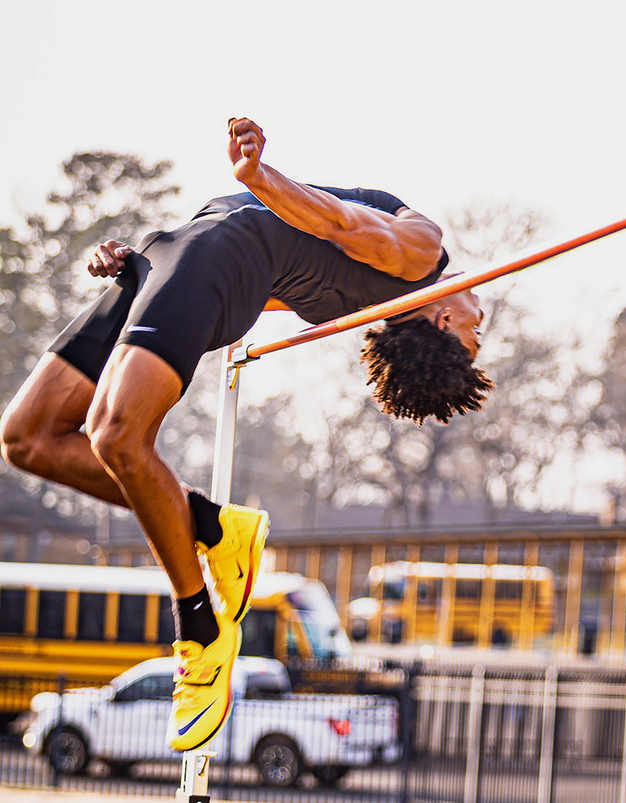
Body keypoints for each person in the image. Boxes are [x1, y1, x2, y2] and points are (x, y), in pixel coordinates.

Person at [0, 118, 491, 751]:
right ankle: (214, 526)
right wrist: (137, 268)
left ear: (449, 322)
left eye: (478, 337)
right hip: (173, 251)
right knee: (27, 438)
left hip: (219, 256)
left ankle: (201, 630)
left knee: (116, 435)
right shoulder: (386, 277)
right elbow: (324, 236)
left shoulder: (420, 257)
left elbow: (338, 224)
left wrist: (260, 176)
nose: (483, 324)